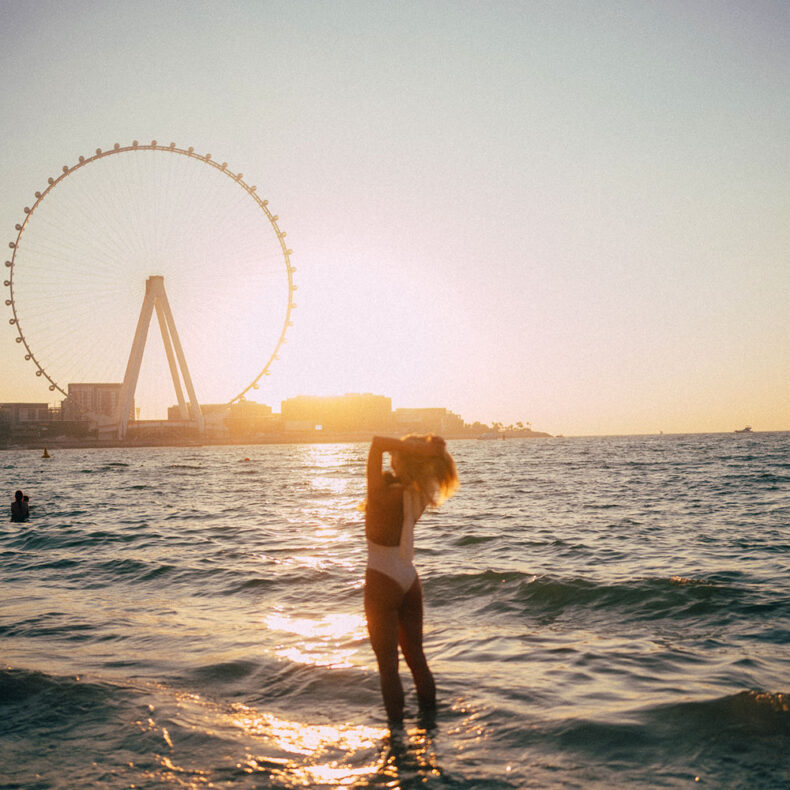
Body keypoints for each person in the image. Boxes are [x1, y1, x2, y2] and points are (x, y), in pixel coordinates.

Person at [364, 434, 459, 725]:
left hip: (382, 578)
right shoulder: (416, 494)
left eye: (396, 454)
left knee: (388, 669)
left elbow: (376, 442)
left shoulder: (381, 492)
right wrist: (425, 451)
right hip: (408, 578)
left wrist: (415, 447)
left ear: (403, 458)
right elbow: (384, 445)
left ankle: (396, 739)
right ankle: (430, 728)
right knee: (417, 660)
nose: (391, 456)